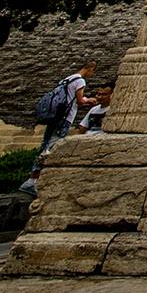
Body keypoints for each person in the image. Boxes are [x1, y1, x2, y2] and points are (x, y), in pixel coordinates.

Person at [19, 60, 98, 196]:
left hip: (55, 117)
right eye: (93, 72)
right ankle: (33, 181)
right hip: (64, 118)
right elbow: (80, 101)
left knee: (45, 145)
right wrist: (89, 100)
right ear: (90, 68)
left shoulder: (67, 79)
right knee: (51, 147)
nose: (92, 75)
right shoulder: (80, 81)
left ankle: (33, 179)